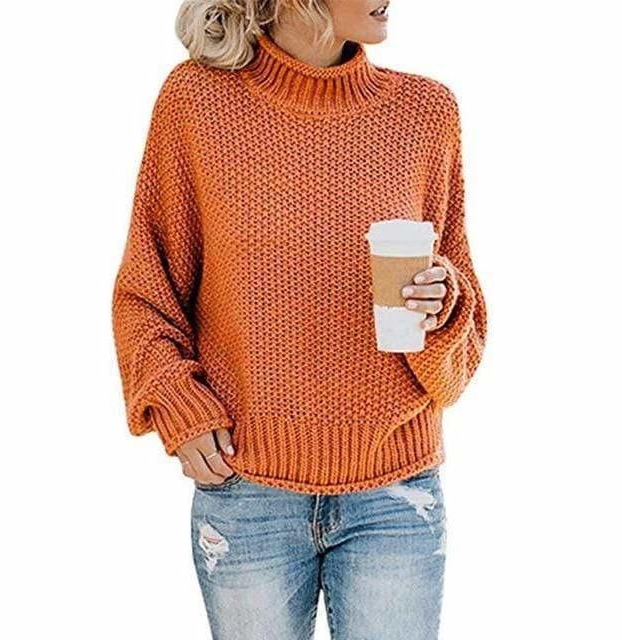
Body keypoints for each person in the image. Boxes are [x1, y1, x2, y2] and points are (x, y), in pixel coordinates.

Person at [111, 1, 488, 638]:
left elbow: (461, 344)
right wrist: (176, 401)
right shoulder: (196, 102)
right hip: (247, 493)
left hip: (395, 495)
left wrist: (441, 306)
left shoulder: (426, 113)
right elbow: (148, 289)